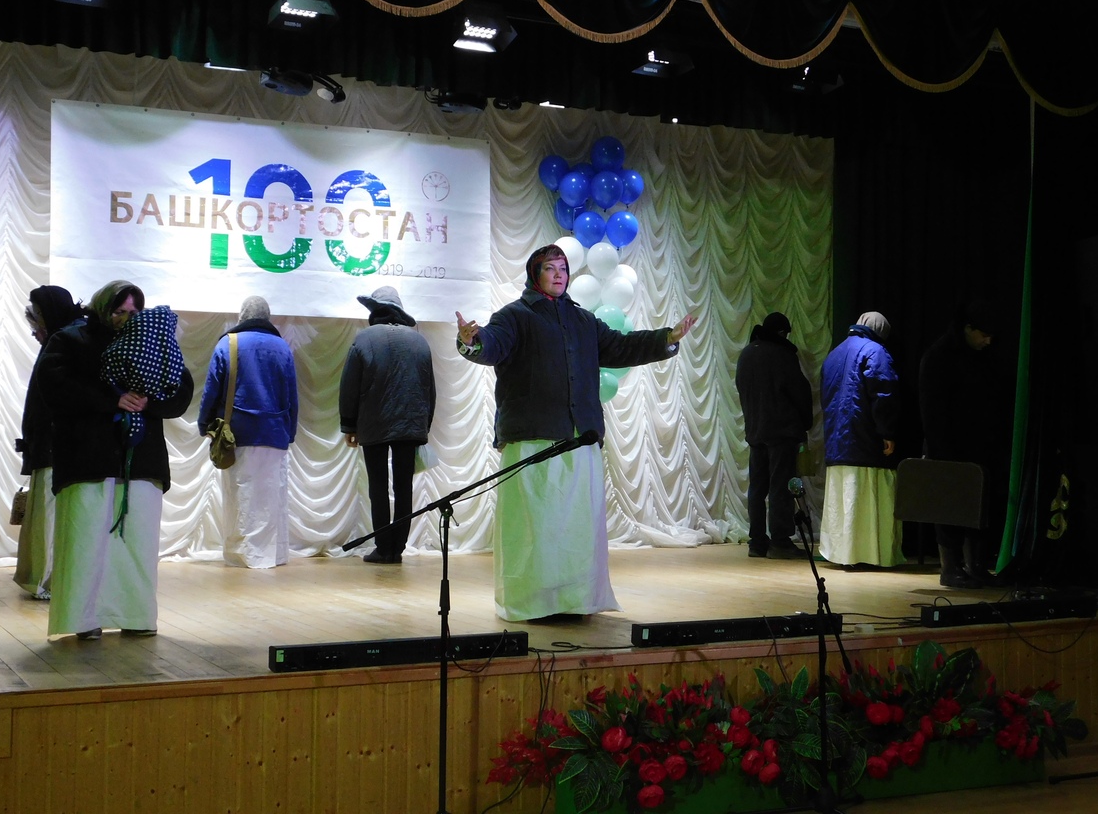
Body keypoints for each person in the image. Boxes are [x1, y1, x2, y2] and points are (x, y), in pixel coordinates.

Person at [455, 244, 696, 622]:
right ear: (535, 274)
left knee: (577, 528)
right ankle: (532, 601)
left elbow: (620, 347)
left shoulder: (583, 320)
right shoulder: (515, 316)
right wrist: (472, 341)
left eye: (563, 269)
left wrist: (667, 337)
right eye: (550, 269)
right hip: (534, 441)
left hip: (579, 438)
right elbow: (492, 344)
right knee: (536, 528)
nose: (559, 275)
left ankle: (575, 599)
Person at [36, 280, 193, 639]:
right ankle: (84, 620)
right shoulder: (71, 339)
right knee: (85, 543)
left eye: (133, 311)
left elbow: (181, 392)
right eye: (119, 311)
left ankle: (136, 616)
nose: (126, 318)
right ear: (102, 308)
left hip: (141, 463)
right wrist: (111, 400)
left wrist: (150, 401)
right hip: (88, 461)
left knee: (136, 546)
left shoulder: (156, 341)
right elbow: (54, 388)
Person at [198, 296, 299, 569]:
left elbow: (212, 390)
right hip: (275, 433)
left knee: (240, 495)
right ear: (267, 316)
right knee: (272, 497)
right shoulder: (282, 347)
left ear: (242, 315)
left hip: (237, 432)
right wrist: (289, 432)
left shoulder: (229, 343)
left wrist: (204, 424)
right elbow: (292, 396)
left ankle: (244, 554)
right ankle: (273, 554)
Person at [339, 286, 436, 564]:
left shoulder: (364, 339)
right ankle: (397, 549)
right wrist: (424, 425)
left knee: (378, 487)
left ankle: (383, 548)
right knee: (404, 487)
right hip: (410, 424)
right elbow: (430, 389)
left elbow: (349, 385)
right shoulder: (419, 341)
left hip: (374, 423)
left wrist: (349, 425)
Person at [919, 299, 1005, 587]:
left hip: (980, 448)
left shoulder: (980, 357)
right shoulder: (939, 357)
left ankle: (975, 565)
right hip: (949, 449)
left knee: (979, 508)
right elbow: (932, 411)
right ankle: (951, 567)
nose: (988, 341)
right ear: (967, 328)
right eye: (984, 334)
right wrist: (941, 452)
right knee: (950, 509)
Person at [818, 311, 904, 568]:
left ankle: (843, 554)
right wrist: (887, 432)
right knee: (869, 497)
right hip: (864, 440)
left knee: (844, 499)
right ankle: (870, 554)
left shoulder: (834, 354)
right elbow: (884, 394)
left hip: (836, 441)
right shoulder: (876, 352)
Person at [13, 285, 83, 600]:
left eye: (38, 319)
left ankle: (49, 580)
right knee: (45, 514)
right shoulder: (61, 340)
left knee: (51, 515)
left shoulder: (67, 342)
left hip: (58, 447)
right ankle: (44, 578)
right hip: (49, 446)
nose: (35, 330)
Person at [735, 311, 813, 560]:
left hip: (755, 430)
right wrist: (805, 424)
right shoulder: (783, 355)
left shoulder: (747, 354)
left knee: (757, 488)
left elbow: (741, 389)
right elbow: (800, 392)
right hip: (782, 431)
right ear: (781, 332)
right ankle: (780, 541)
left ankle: (757, 542)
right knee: (781, 487)